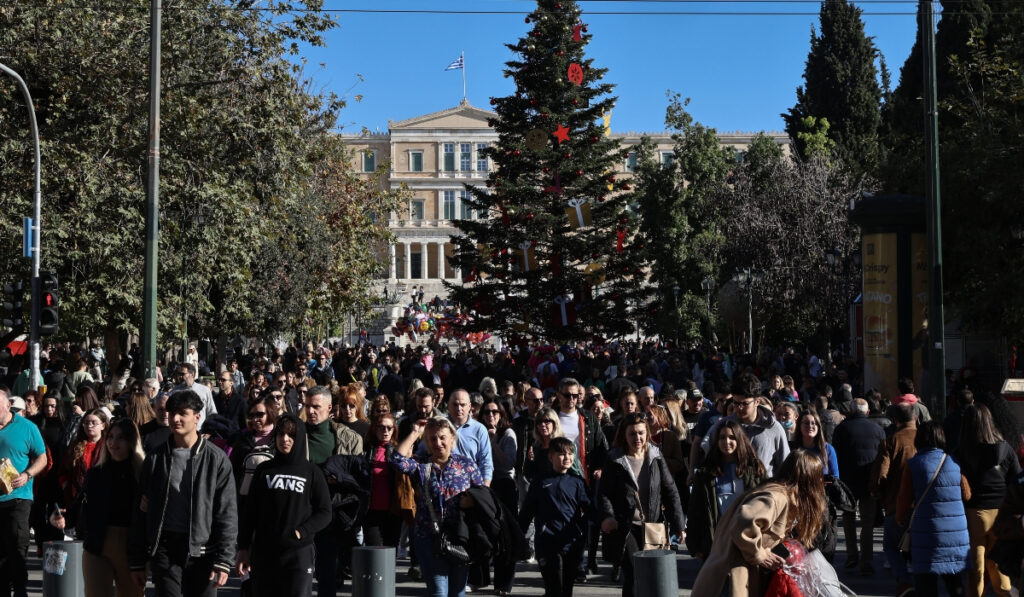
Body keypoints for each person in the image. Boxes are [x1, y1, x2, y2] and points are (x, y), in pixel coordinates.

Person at [128, 390, 238, 597]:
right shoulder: (155, 458)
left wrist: (224, 560)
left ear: (197, 417)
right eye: (171, 413)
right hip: (165, 550)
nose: (175, 419)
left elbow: (227, 512)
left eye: (182, 413)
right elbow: (140, 512)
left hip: (203, 552)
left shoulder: (216, 460)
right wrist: (137, 561)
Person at [690, 449, 827, 597]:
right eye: (819, 477)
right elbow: (743, 523)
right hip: (731, 578)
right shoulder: (776, 497)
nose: (821, 483)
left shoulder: (780, 494)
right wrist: (760, 554)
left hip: (738, 574)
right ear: (808, 478)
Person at [236, 414, 331, 597]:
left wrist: (302, 531)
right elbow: (250, 511)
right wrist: (243, 548)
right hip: (265, 552)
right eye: (280, 434)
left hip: (298, 554)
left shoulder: (312, 472)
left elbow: (325, 512)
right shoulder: (264, 470)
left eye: (291, 435)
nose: (285, 439)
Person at [49, 417, 146, 597]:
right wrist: (64, 518)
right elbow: (79, 504)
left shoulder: (142, 474)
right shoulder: (96, 473)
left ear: (131, 442)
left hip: (131, 547)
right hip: (96, 543)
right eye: (110, 437)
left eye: (120, 438)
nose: (113, 442)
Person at [391, 416, 485, 597]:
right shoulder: (420, 464)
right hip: (428, 538)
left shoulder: (465, 465)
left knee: (457, 593)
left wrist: (472, 501)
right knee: (438, 592)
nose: (438, 443)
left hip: (460, 537)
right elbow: (396, 459)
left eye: (442, 437)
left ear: (452, 438)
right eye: (432, 438)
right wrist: (415, 432)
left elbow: (483, 496)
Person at [598, 412, 684, 597]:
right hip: (626, 526)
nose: (637, 438)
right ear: (624, 435)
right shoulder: (615, 459)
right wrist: (608, 516)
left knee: (654, 574)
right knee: (634, 573)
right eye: (632, 434)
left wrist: (679, 525)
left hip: (653, 525)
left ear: (647, 433)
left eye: (640, 433)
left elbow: (670, 490)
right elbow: (603, 493)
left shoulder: (655, 456)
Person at [895, 421, 970, 596]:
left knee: (926, 584)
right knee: (955, 584)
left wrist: (900, 519)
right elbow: (967, 495)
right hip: (956, 534)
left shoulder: (913, 465)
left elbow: (903, 500)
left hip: (926, 532)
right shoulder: (953, 462)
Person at [302, 386, 363, 597]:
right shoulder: (293, 435)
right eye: (307, 406)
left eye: (316, 407)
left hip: (332, 513)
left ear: (329, 408)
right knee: (300, 576)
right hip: (300, 512)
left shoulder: (350, 438)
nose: (310, 411)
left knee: (327, 574)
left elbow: (358, 480)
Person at [957, 404, 1019, 597]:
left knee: (976, 567)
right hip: (1000, 512)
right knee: (998, 563)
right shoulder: (1006, 449)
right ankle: (1005, 593)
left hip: (973, 512)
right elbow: (1017, 479)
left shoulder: (960, 451)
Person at [519, 437, 592, 597]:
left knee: (567, 589)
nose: (567, 458)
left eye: (570, 454)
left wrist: (584, 531)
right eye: (561, 454)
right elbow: (527, 511)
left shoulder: (577, 482)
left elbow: (590, 509)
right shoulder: (540, 481)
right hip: (547, 542)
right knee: (553, 588)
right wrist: (518, 536)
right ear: (550, 456)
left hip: (571, 543)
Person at [686, 420, 766, 561]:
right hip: (716, 542)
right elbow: (695, 510)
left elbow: (766, 507)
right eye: (722, 437)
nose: (726, 441)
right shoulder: (705, 473)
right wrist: (695, 546)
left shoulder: (755, 470)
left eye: (732, 437)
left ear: (739, 439)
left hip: (746, 541)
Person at [0, 387, 48, 597]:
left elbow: (42, 458)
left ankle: (20, 591)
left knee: (16, 549)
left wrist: (27, 474)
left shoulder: (27, 427)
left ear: (8, 405)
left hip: (18, 497)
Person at [832, 397, 885, 575]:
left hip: (847, 482)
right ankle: (867, 560)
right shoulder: (878, 430)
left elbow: (836, 455)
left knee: (848, 519)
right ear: (867, 412)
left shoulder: (841, 429)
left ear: (851, 411)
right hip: (868, 482)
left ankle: (852, 555)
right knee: (867, 523)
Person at [701, 373, 789, 477]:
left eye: (745, 403)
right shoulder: (723, 425)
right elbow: (709, 456)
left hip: (763, 490)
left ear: (757, 401)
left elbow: (785, 466)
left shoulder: (774, 428)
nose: (739, 408)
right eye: (736, 403)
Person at [475, 399, 517, 594]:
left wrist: (492, 442)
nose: (490, 416)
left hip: (504, 485)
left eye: (495, 412)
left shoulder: (508, 434)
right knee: (480, 532)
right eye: (486, 412)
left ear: (501, 415)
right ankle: (478, 579)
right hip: (483, 486)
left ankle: (503, 584)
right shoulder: (477, 431)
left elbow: (508, 463)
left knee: (504, 536)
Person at [361, 413, 413, 547]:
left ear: (394, 430)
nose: (385, 431)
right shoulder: (366, 449)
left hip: (393, 510)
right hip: (371, 509)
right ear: (374, 429)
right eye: (381, 427)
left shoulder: (399, 450)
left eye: (389, 428)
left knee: (390, 551)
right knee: (374, 550)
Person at [59, 409, 108, 513]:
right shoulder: (75, 445)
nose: (89, 425)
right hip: (75, 499)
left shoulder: (109, 446)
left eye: (94, 423)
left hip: (100, 499)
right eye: (86, 423)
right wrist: (65, 486)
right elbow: (64, 469)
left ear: (103, 426)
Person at [171, 363, 217, 427]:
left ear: (192, 374)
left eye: (183, 374)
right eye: (179, 374)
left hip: (200, 431)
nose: (180, 377)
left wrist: (209, 431)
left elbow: (212, 412)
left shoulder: (204, 390)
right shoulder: (175, 391)